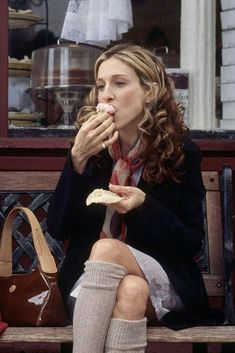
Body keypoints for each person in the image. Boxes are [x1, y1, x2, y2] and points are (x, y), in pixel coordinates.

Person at [47, 43, 224, 353]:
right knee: (130, 291)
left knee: (107, 249)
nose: (106, 95)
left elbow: (190, 242)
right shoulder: (92, 150)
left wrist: (143, 208)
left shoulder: (180, 152)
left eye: (119, 83)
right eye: (101, 85)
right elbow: (59, 228)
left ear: (149, 91)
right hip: (94, 283)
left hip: (165, 278)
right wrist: (77, 160)